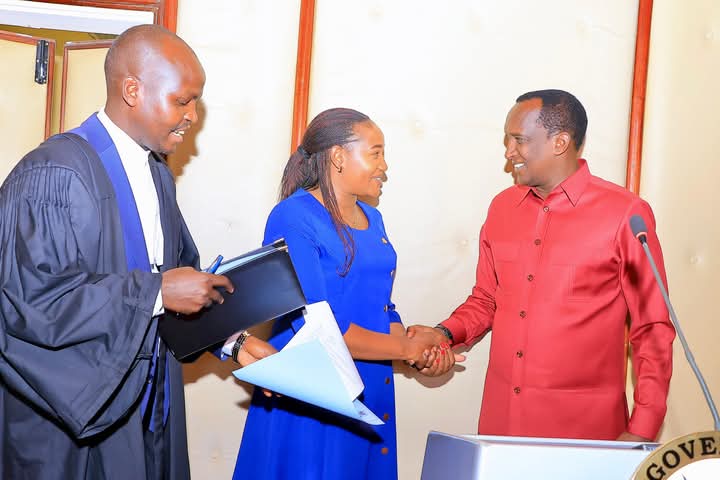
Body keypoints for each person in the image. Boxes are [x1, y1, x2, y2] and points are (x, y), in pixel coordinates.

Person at [0, 24, 271, 479]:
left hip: (148, 409)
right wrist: (155, 292)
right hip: (73, 424)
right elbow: (30, 306)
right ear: (132, 90)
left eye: (196, 103)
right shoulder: (51, 174)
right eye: (182, 101)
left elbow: (180, 280)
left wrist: (232, 341)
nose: (192, 116)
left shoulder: (158, 175)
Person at [410, 89, 676, 441]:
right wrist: (444, 334)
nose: (509, 152)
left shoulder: (625, 214)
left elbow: (652, 328)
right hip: (502, 430)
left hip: (586, 435)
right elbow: (486, 300)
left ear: (559, 142)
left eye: (519, 140)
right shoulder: (502, 208)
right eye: (507, 140)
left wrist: (642, 428)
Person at [234, 108, 461, 480]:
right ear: (338, 156)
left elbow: (382, 306)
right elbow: (319, 326)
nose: (384, 166)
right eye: (376, 153)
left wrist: (417, 350)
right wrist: (407, 349)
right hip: (315, 392)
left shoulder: (374, 219)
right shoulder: (293, 216)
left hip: (371, 384)